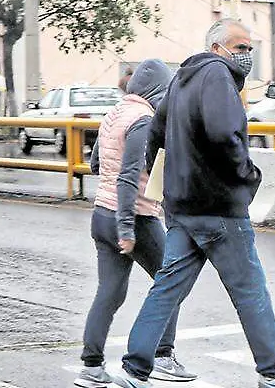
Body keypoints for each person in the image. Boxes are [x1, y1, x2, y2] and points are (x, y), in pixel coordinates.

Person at [111, 19, 275, 388]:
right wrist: (247, 177)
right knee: (250, 290)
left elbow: (155, 134)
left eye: (249, 49)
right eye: (240, 48)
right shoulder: (218, 77)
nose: (246, 56)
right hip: (219, 207)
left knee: (167, 287)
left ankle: (133, 369)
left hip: (182, 207)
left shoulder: (180, 78)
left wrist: (168, 180)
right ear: (216, 48)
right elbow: (225, 135)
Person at [76, 59, 196, 388]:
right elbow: (128, 177)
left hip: (101, 213)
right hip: (134, 218)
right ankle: (161, 356)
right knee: (171, 282)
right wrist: (127, 228)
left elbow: (96, 163)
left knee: (110, 293)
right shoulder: (143, 120)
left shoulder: (115, 112)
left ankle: (91, 366)